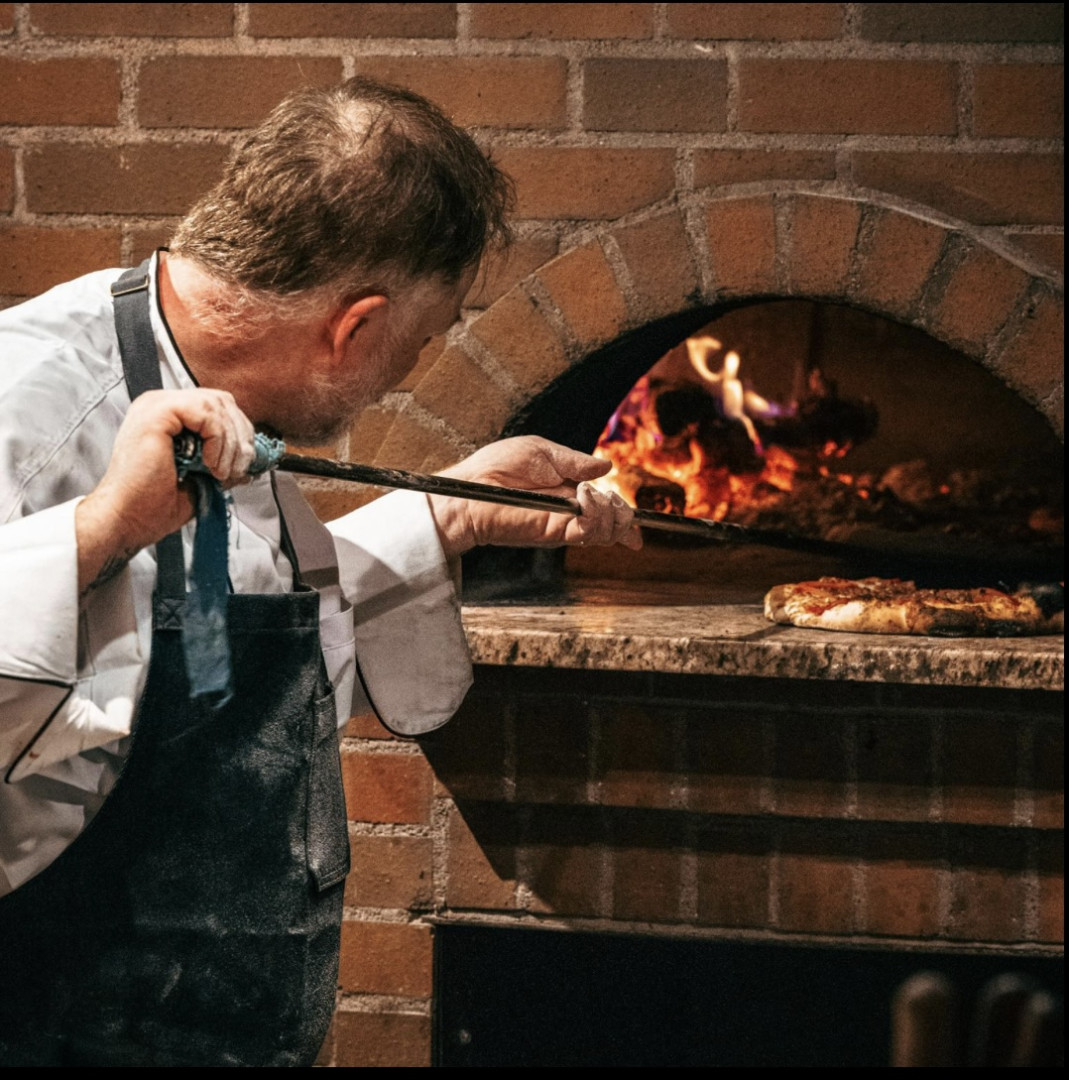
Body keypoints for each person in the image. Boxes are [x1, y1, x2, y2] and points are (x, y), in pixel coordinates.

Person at [0, 77, 638, 1065]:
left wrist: (451, 510)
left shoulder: (205, 387)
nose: (410, 369)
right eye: (419, 341)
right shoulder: (32, 402)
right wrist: (100, 527)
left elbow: (214, 657)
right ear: (356, 325)